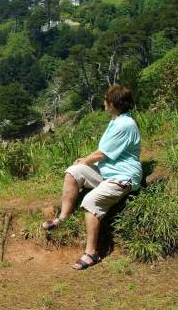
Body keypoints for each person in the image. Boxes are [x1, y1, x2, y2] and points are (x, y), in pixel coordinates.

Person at [42, 85, 142, 270]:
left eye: (106, 99)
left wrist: (88, 160)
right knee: (73, 171)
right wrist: (84, 161)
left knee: (90, 201)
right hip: (108, 171)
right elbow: (103, 152)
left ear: (113, 103)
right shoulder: (117, 120)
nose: (104, 102)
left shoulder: (124, 125)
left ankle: (91, 253)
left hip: (122, 176)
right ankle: (63, 217)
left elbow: (102, 154)